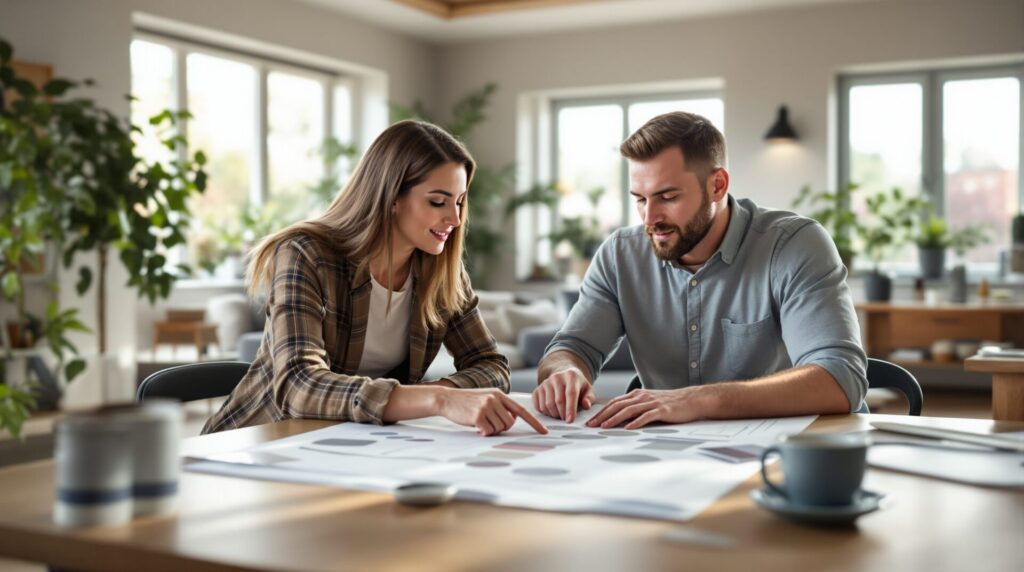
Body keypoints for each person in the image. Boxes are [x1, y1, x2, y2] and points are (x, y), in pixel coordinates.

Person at [204, 120, 546, 437]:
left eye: (459, 202)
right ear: (392, 198)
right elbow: (299, 386)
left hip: (356, 443)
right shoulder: (306, 254)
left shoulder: (439, 272)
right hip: (262, 441)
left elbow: (491, 366)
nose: (454, 219)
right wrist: (437, 399)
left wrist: (443, 396)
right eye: (438, 202)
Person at [533, 111, 867, 428]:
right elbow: (571, 349)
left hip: (798, 450)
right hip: (678, 455)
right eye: (640, 198)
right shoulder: (620, 255)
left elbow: (838, 378)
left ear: (718, 185)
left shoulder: (793, 245)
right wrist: (565, 371)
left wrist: (696, 401)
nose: (649, 219)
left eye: (667, 196)